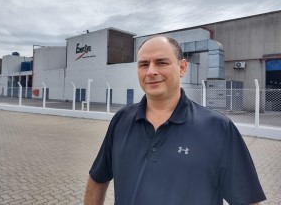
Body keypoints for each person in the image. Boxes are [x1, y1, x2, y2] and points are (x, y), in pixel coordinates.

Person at [84, 36, 266, 205]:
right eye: (144, 64)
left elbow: (247, 200)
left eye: (161, 62)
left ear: (182, 68)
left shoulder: (218, 128)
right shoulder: (121, 120)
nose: (151, 71)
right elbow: (97, 178)